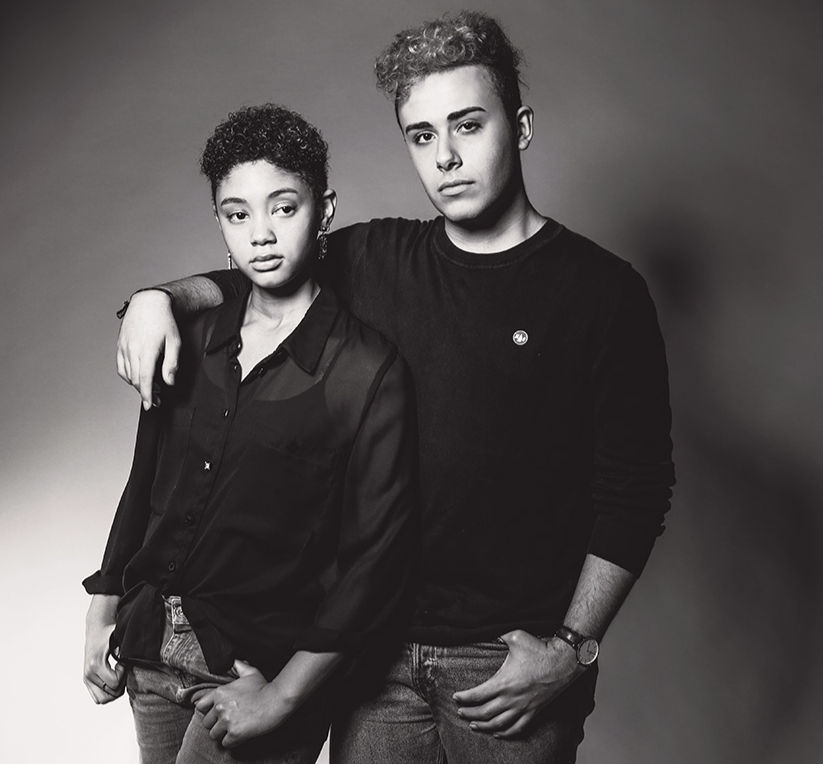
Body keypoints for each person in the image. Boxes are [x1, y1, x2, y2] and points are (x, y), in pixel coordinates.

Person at [114, 11, 675, 764]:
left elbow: (637, 492)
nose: (445, 156)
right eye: (421, 135)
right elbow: (254, 275)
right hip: (372, 659)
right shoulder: (377, 257)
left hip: (504, 664)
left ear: (520, 128)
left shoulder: (602, 293)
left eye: (468, 125)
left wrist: (571, 649)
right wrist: (156, 298)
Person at [82, 104, 417, 764]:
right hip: (148, 649)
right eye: (237, 215)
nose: (260, 234)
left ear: (324, 212)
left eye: (283, 208)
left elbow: (375, 562)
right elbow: (145, 485)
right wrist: (103, 609)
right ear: (220, 222)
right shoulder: (191, 336)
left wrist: (285, 697)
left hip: (253, 672)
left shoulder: (365, 369)